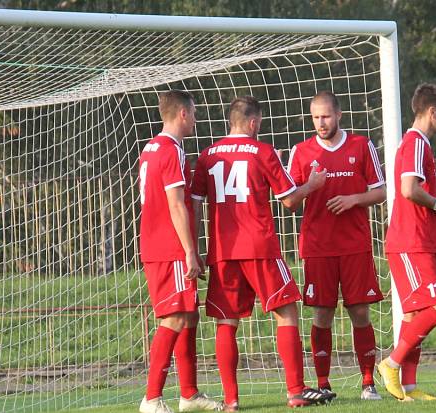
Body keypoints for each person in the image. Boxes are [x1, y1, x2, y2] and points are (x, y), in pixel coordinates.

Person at [190, 96, 333, 410]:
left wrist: (196, 249)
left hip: (222, 251)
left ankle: (231, 401)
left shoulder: (206, 156)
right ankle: (295, 390)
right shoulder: (263, 151)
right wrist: (312, 184)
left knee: (226, 322)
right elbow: (290, 200)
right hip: (259, 247)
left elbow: (195, 205)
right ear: (254, 123)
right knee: (287, 313)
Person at [286, 91, 386, 401]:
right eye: (316, 117)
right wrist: (310, 187)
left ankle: (368, 382)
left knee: (359, 311)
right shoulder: (301, 152)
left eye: (326, 116)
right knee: (322, 314)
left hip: (355, 245)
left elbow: (380, 191)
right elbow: (289, 200)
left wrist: (354, 199)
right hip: (317, 247)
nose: (321, 122)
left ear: (339, 114)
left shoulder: (361, 145)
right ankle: (324, 383)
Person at [377, 83, 436, 401]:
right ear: (432, 111)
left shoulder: (420, 144)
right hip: (408, 242)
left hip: (420, 238)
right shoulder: (416, 143)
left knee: (414, 316)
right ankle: (390, 363)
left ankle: (409, 388)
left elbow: (413, 200)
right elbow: (408, 190)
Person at [137, 90, 221, 413]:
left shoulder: (151, 148)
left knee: (188, 315)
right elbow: (175, 204)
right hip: (168, 248)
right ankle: (152, 398)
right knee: (173, 318)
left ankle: (188, 395)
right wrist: (189, 250)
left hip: (162, 245)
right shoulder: (172, 151)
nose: (196, 119)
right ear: (183, 114)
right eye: (195, 113)